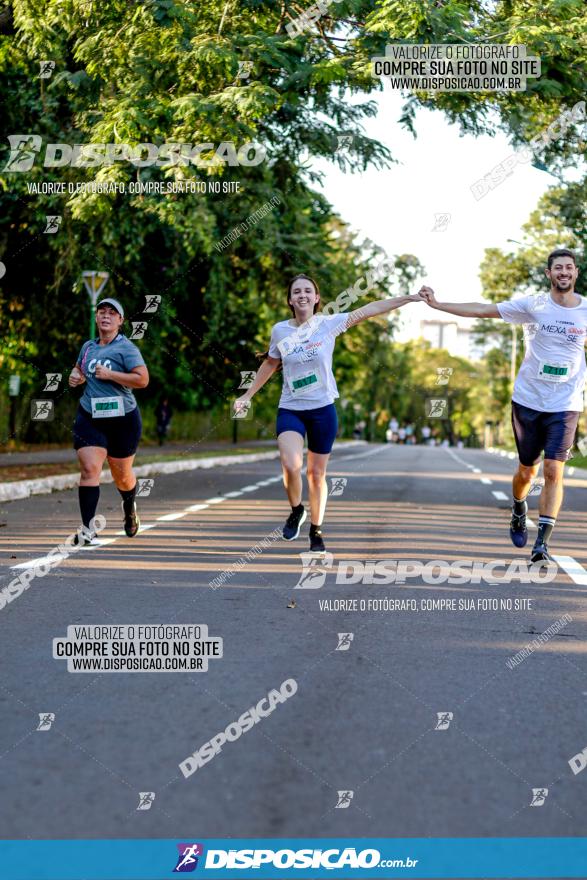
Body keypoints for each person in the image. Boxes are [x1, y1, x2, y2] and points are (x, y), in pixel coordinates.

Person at [419, 248, 586, 564]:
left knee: (553, 470)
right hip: (528, 400)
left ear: (575, 273)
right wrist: (438, 304)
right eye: (558, 268)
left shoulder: (586, 310)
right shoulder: (533, 305)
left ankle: (542, 544)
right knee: (527, 470)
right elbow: (482, 310)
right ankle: (519, 507)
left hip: (566, 402)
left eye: (569, 267)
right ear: (549, 274)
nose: (564, 272)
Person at [234, 273, 422, 553]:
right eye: (296, 291)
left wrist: (409, 298)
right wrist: (247, 395)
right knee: (290, 464)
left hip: (322, 409)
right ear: (289, 299)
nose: (302, 295)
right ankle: (297, 510)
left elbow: (369, 310)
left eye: (308, 291)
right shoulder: (280, 331)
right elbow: (270, 364)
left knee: (316, 475)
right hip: (291, 408)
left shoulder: (328, 324)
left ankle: (316, 529)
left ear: (316, 298)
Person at [68, 297, 149, 544]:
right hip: (90, 416)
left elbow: (142, 380)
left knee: (122, 475)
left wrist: (111, 374)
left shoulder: (127, 349)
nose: (106, 316)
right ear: (96, 317)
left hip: (123, 419)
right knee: (90, 469)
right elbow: (80, 369)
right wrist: (76, 376)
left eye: (112, 313)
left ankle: (129, 507)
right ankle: (87, 529)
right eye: (101, 312)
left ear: (120, 321)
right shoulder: (88, 347)